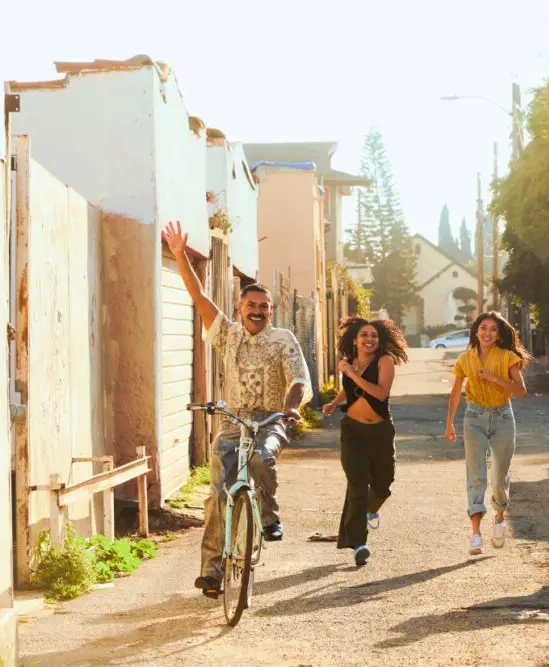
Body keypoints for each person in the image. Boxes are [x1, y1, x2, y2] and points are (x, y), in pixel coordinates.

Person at [162, 221, 312, 597]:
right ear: (240, 308)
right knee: (216, 496)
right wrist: (180, 254)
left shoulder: (283, 339)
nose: (257, 311)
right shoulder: (226, 334)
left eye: (264, 307)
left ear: (271, 311)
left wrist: (291, 407)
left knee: (261, 460)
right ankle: (211, 572)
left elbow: (298, 379)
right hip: (232, 422)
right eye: (251, 306)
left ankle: (270, 515)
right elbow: (198, 298)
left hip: (270, 420)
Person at [322, 317, 409, 566]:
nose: (369, 339)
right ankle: (359, 543)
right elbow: (349, 388)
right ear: (355, 339)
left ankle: (370, 509)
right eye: (364, 335)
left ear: (379, 340)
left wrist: (351, 373)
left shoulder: (385, 361)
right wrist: (335, 402)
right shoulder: (350, 362)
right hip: (352, 432)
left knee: (383, 485)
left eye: (374, 335)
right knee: (357, 485)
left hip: (380, 432)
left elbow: (380, 392)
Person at [444, 311, 530, 555]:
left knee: (499, 477)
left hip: (503, 416)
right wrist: (450, 422)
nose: (488, 333)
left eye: (493, 329)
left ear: (499, 333)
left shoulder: (508, 357)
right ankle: (476, 534)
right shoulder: (464, 359)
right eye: (484, 328)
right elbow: (456, 391)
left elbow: (521, 391)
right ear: (476, 331)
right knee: (476, 476)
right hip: (473, 417)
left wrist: (493, 378)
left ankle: (500, 516)